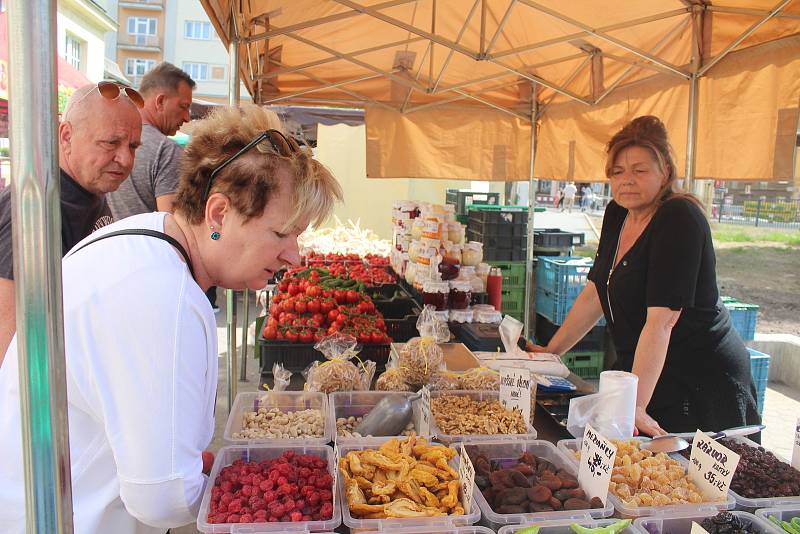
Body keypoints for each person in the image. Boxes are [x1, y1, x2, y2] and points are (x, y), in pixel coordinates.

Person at [0, 104, 343, 533]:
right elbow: (161, 498)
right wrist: (234, 485)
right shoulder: (165, 297)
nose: (293, 255)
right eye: (281, 233)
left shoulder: (143, 237)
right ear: (218, 213)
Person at [532, 115, 759, 436]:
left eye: (639, 170)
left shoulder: (679, 218)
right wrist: (551, 352)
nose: (626, 180)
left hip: (696, 380)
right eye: (617, 172)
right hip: (643, 371)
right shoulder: (616, 213)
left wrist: (635, 406)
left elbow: (662, 321)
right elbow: (596, 292)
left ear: (664, 171)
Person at [0, 82, 143, 363]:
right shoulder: (34, 208)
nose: (125, 159)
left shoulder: (92, 190)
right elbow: (8, 343)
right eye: (111, 143)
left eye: (133, 146)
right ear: (66, 136)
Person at [106, 63, 194, 219]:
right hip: (148, 243)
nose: (187, 117)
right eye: (183, 106)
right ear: (160, 101)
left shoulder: (107, 140)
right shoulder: (167, 151)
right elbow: (174, 226)